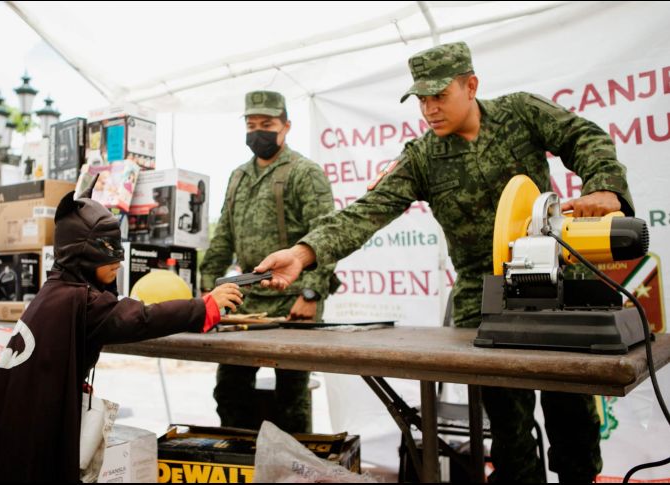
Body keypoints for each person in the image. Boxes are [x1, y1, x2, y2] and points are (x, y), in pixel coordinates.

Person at [255, 42, 633, 483]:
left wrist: (604, 186)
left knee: (573, 418)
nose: (429, 109)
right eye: (421, 99)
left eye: (439, 96)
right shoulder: (422, 157)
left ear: (471, 86)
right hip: (484, 298)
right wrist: (303, 253)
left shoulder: (519, 114)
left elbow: (583, 136)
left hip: (553, 283)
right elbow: (365, 212)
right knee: (510, 433)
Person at [0, 180, 243, 482]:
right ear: (84, 253)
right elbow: (142, 318)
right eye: (109, 250)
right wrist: (203, 307)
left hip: (12, 417)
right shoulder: (82, 300)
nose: (119, 260)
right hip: (31, 427)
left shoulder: (55, 291)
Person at [199, 90, 337, 433]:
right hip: (245, 300)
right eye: (251, 124)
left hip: (294, 301)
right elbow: (224, 238)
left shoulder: (306, 172)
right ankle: (240, 460)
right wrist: (206, 286)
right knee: (229, 389)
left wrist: (311, 296)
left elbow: (327, 235)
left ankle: (296, 467)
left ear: (286, 126)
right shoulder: (238, 177)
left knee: (291, 398)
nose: (257, 131)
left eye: (267, 124)